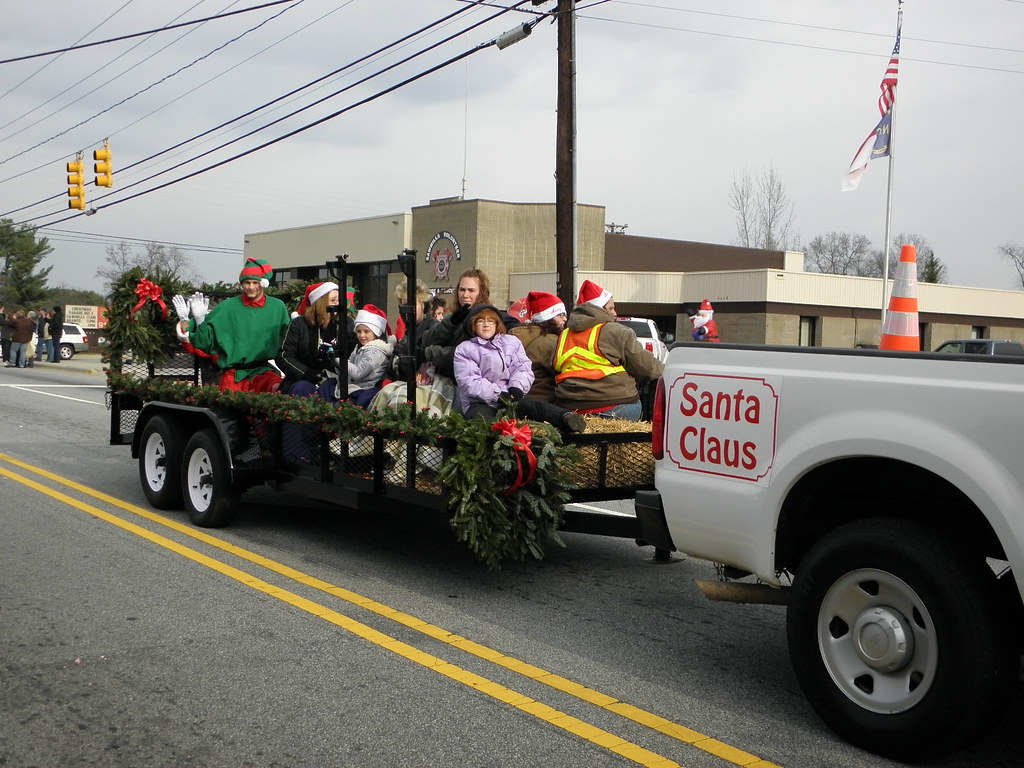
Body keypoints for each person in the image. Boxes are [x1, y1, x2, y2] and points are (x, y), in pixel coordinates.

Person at [453, 306, 585, 432]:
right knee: (484, 420)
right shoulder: (464, 349)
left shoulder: (511, 342)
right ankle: (500, 440)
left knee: (535, 406)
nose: (486, 325)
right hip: (480, 402)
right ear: (473, 325)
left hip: (509, 395)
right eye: (481, 321)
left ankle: (566, 418)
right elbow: (470, 381)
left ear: (497, 324)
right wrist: (497, 394)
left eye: (491, 321)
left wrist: (516, 387)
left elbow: (522, 368)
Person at [553, 279, 664, 421]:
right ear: (599, 309)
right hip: (613, 407)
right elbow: (648, 368)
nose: (615, 313)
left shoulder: (564, 335)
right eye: (611, 308)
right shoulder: (617, 331)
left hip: (569, 407)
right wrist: (668, 370)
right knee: (638, 407)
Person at [174, 258, 290, 393]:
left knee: (278, 390)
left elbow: (288, 339)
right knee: (229, 410)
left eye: (255, 282)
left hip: (264, 373)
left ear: (263, 284)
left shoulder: (277, 307)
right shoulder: (227, 307)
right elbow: (202, 342)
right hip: (234, 376)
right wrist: (196, 320)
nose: (251, 287)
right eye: (247, 282)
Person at [421, 268, 520, 380]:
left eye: (471, 290)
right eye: (462, 290)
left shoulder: (490, 320)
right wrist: (450, 323)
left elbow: (469, 354)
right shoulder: (453, 318)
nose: (465, 295)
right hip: (445, 383)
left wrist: (430, 353)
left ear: (482, 293)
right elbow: (426, 341)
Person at [275, 281, 341, 397]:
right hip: (302, 378)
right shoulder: (299, 324)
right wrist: (305, 373)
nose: (337, 304)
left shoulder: (345, 324)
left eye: (338, 300)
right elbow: (284, 355)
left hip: (335, 379)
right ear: (320, 303)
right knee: (302, 388)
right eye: (333, 301)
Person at [509, 291, 567, 403]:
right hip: (546, 401)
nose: (564, 319)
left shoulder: (516, 336)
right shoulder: (552, 342)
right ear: (548, 317)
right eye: (560, 315)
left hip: (520, 399)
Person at [342, 305, 393, 408]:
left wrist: (339, 360)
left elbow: (358, 373)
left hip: (367, 389)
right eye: (359, 331)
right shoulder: (359, 347)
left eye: (366, 331)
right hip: (356, 386)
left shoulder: (375, 351)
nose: (361, 335)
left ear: (375, 333)